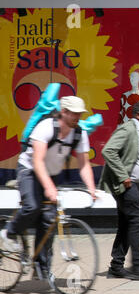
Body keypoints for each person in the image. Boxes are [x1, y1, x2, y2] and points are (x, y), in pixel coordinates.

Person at [0, 96, 97, 278]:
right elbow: (37, 162)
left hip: (52, 173)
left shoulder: (79, 133)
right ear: (64, 112)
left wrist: (91, 188)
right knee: (32, 206)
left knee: (49, 220)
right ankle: (9, 232)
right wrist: (49, 188)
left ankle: (41, 266)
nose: (78, 117)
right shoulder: (46, 127)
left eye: (80, 114)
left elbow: (84, 164)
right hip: (29, 170)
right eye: (74, 113)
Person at [99, 100, 139, 280]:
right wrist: (123, 176)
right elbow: (108, 151)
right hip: (126, 184)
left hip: (135, 184)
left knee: (127, 223)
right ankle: (137, 265)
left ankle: (116, 266)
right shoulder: (128, 129)